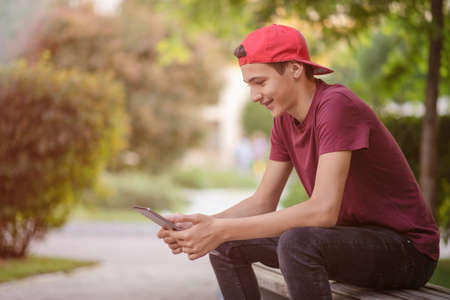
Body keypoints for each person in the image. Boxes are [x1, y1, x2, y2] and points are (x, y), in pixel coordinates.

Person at [157, 24, 439, 300]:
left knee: (297, 243)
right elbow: (262, 202)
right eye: (249, 85)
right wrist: (204, 226)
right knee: (226, 245)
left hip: (408, 251)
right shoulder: (283, 121)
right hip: (350, 241)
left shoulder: (336, 106)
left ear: (294, 68)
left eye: (260, 82)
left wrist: (222, 229)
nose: (254, 96)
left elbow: (323, 212)